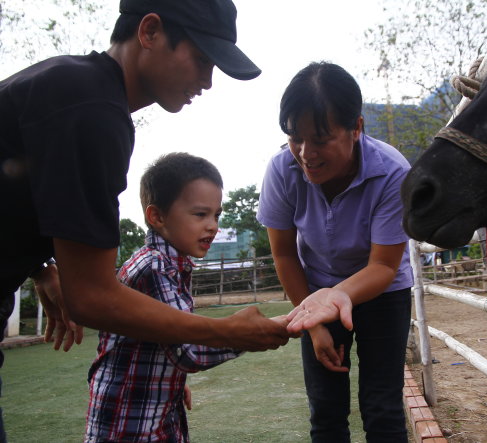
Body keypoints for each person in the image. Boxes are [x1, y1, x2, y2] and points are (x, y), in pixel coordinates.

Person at [0, 1, 291, 440]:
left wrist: (39, 267)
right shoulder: (92, 110)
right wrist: (222, 331)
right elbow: (92, 297)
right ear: (150, 31)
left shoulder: (71, 85)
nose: (208, 82)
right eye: (201, 60)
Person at [257, 62, 414, 443]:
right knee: (325, 410)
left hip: (383, 291)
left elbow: (383, 265)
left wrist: (339, 296)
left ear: (356, 128)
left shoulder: (392, 172)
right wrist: (313, 322)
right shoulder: (282, 170)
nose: (306, 153)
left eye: (322, 138)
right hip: (314, 291)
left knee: (382, 406)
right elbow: (284, 256)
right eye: (295, 137)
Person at [86, 152, 249, 442]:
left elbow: (165, 339)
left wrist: (171, 381)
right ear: (157, 216)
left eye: (216, 215)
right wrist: (250, 334)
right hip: (128, 424)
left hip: (155, 410)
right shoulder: (154, 268)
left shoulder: (169, 264)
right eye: (201, 214)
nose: (213, 225)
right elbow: (188, 351)